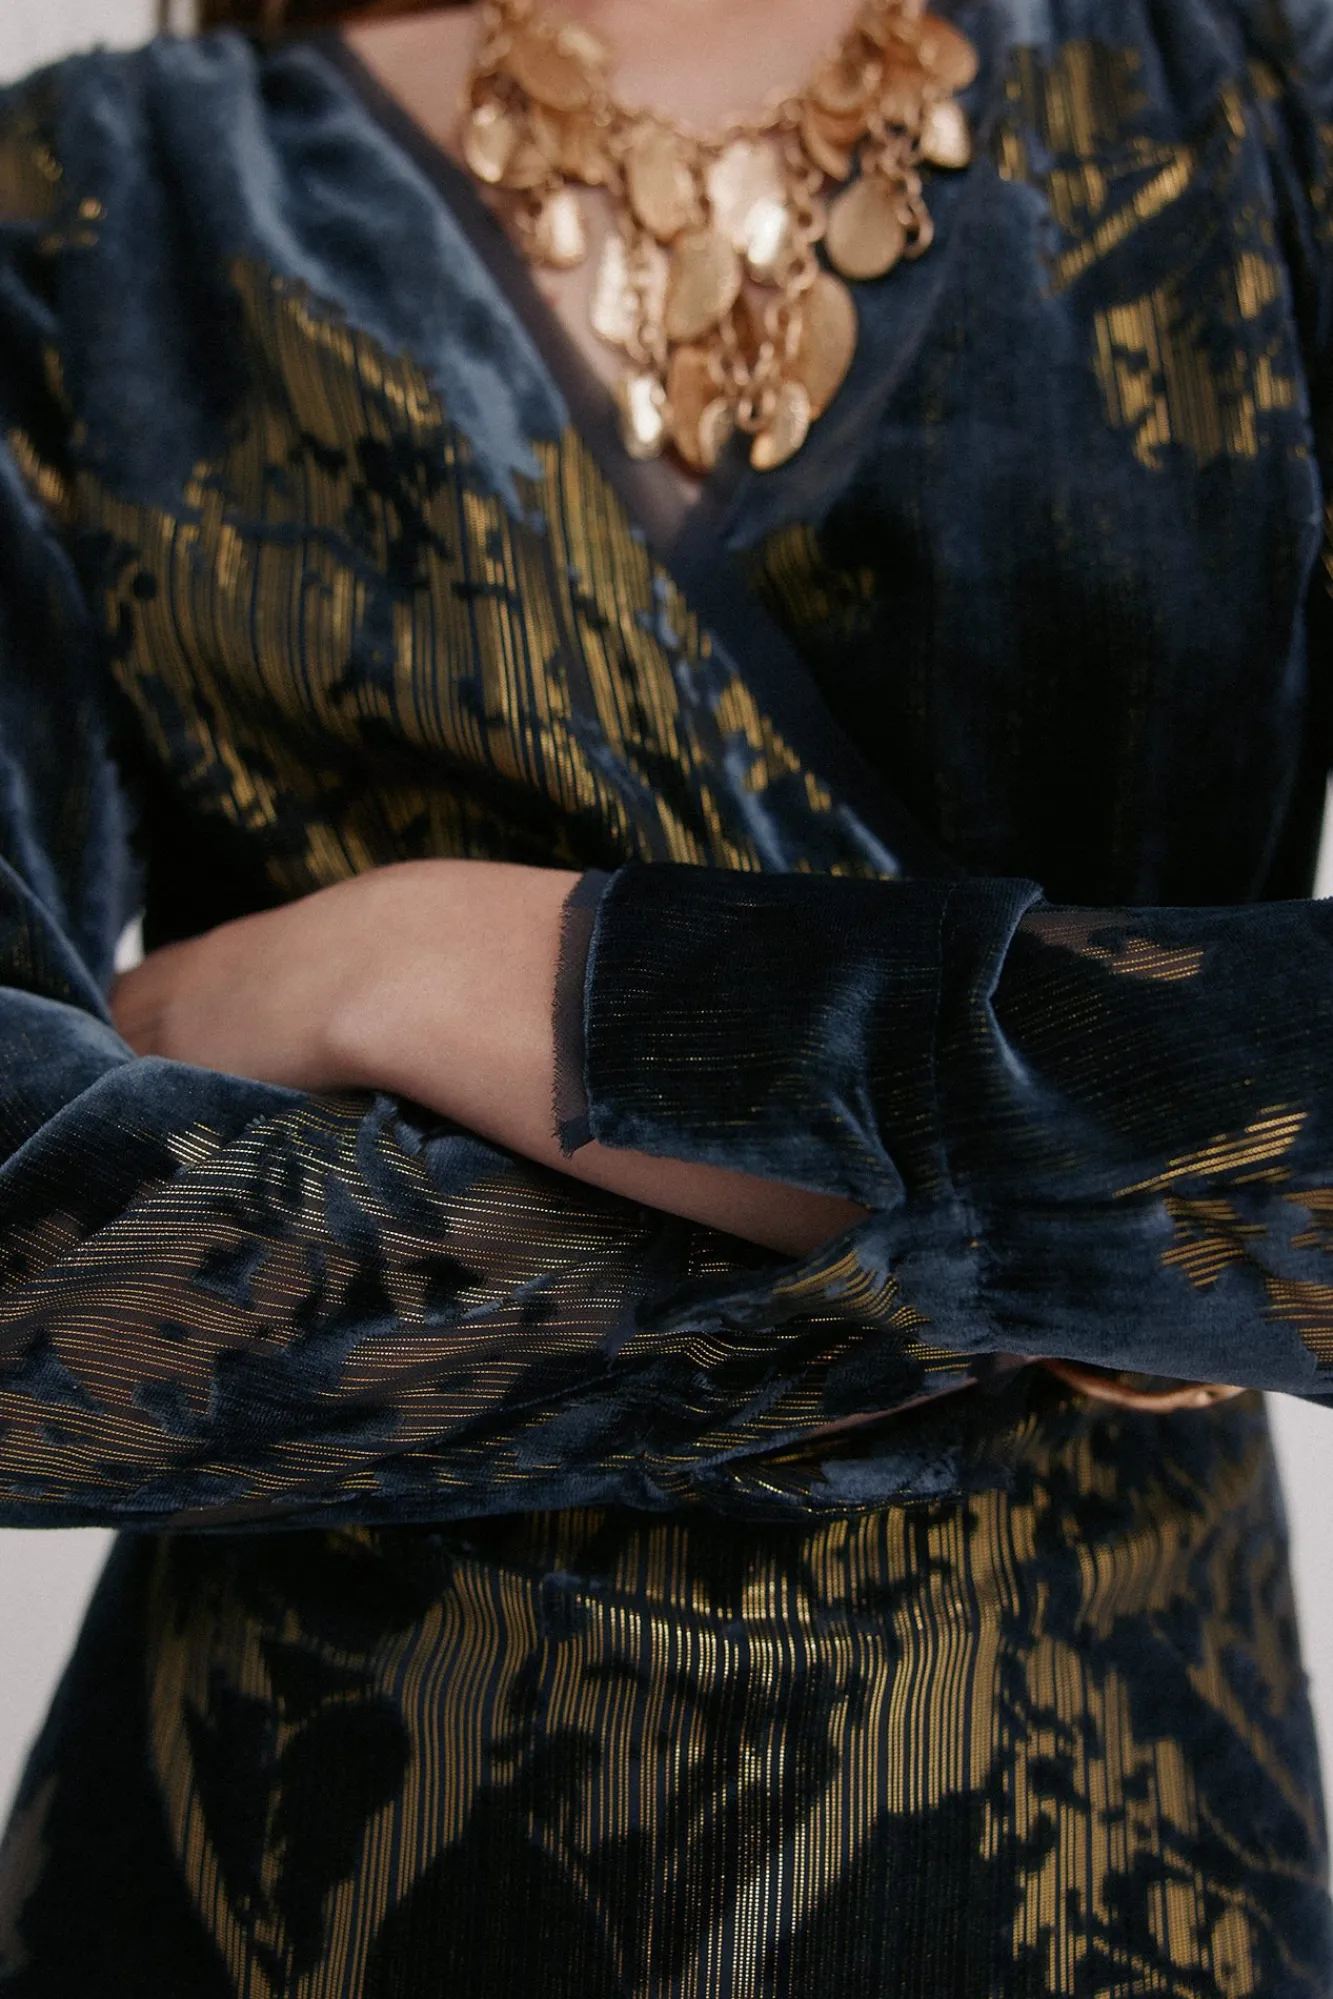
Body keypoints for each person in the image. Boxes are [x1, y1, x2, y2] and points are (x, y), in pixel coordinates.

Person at [0, 0, 1329, 1987]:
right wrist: (1084, 1237)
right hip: (277, 1869)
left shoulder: (1254, 99)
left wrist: (491, 972)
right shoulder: (92, 201)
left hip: (1090, 1882)